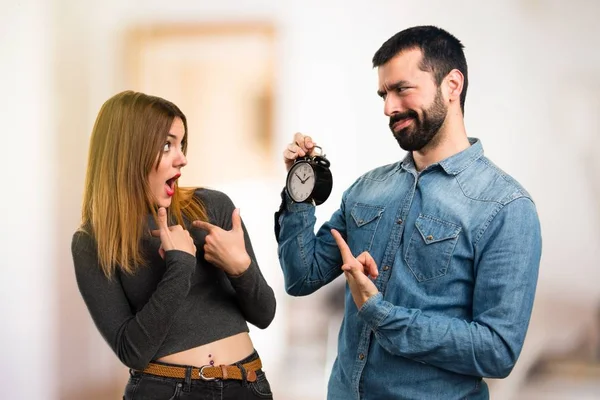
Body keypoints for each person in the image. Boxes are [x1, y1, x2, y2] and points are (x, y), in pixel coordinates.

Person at [275, 25, 542, 399]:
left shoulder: (505, 207)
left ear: (452, 85)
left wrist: (380, 313)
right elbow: (300, 277)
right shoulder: (368, 188)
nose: (388, 107)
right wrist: (298, 191)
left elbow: (496, 352)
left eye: (402, 89)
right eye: (384, 94)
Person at [71, 90, 276, 399]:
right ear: (128, 152)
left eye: (181, 144)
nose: (182, 158)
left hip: (247, 384)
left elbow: (264, 314)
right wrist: (179, 267)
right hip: (164, 390)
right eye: (167, 145)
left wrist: (241, 269)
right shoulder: (93, 242)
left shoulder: (212, 207)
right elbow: (132, 351)